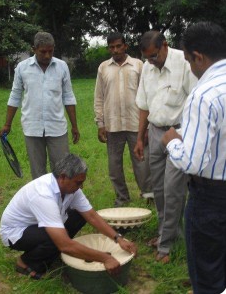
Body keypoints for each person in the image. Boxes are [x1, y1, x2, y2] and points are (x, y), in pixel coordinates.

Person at [162, 21, 226, 294]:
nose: (190, 67)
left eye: (188, 60)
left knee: (208, 273)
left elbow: (193, 162)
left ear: (198, 56)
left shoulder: (204, 95)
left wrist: (173, 142)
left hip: (212, 199)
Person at [0, 153, 137, 279]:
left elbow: (91, 216)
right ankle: (25, 262)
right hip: (17, 233)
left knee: (79, 215)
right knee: (58, 239)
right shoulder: (42, 194)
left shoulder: (71, 188)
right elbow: (65, 245)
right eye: (78, 183)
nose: (81, 187)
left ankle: (52, 252)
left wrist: (118, 239)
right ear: (63, 177)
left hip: (38, 225)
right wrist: (105, 258)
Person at [134, 31, 197, 263]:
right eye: (147, 58)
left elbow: (196, 101)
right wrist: (140, 138)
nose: (151, 61)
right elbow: (143, 105)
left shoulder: (184, 63)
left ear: (164, 46)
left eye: (154, 56)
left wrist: (182, 135)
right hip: (155, 131)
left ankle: (167, 246)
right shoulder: (147, 68)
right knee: (158, 189)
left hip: (178, 133)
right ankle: (167, 233)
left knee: (173, 190)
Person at [0, 32, 80, 179]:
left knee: (63, 171)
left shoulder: (62, 67)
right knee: (38, 173)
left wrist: (74, 126)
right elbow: (15, 96)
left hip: (57, 128)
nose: (47, 55)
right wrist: (7, 125)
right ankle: (42, 201)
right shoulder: (22, 68)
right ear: (34, 49)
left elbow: (68, 96)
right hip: (32, 128)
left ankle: (62, 201)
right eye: (43, 52)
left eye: (50, 51)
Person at [94, 32, 152, 207]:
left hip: (136, 124)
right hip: (113, 125)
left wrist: (147, 126)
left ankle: (148, 195)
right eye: (112, 47)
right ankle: (122, 197)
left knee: (141, 163)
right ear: (108, 48)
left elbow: (147, 95)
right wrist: (100, 123)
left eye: (119, 46)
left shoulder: (138, 65)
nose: (116, 50)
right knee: (114, 166)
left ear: (125, 46)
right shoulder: (103, 67)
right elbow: (99, 97)